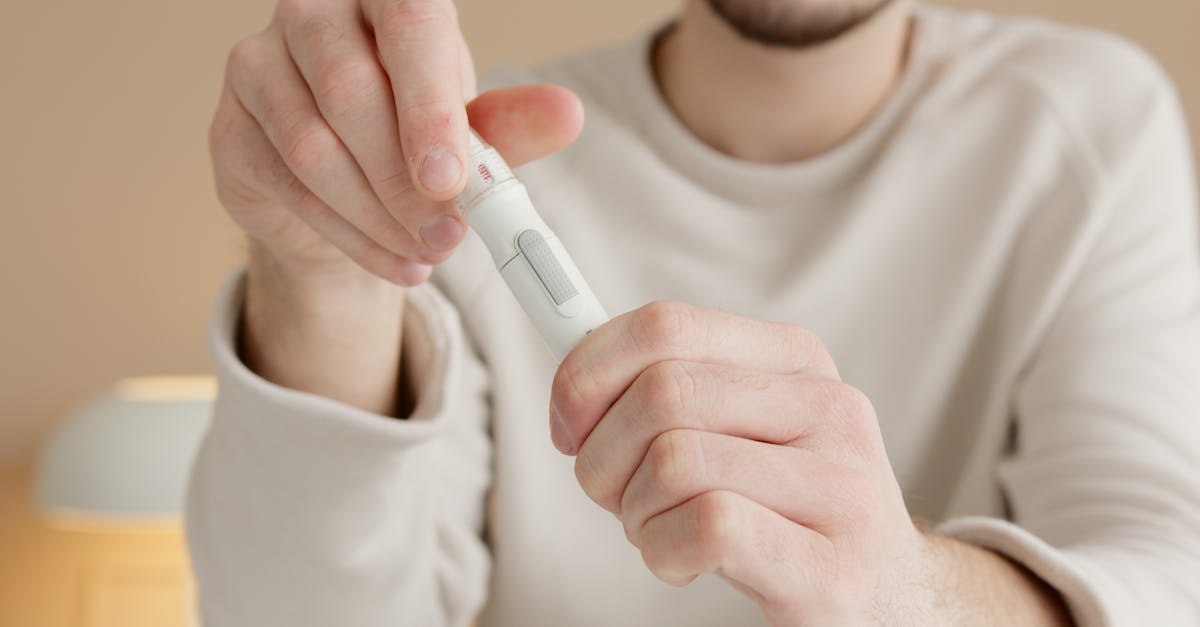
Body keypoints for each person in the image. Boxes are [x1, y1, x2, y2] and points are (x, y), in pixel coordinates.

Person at [185, 0, 1200, 624]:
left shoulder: (1087, 129)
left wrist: (904, 595)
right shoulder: (449, 153)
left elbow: (1169, 577)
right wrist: (318, 273)